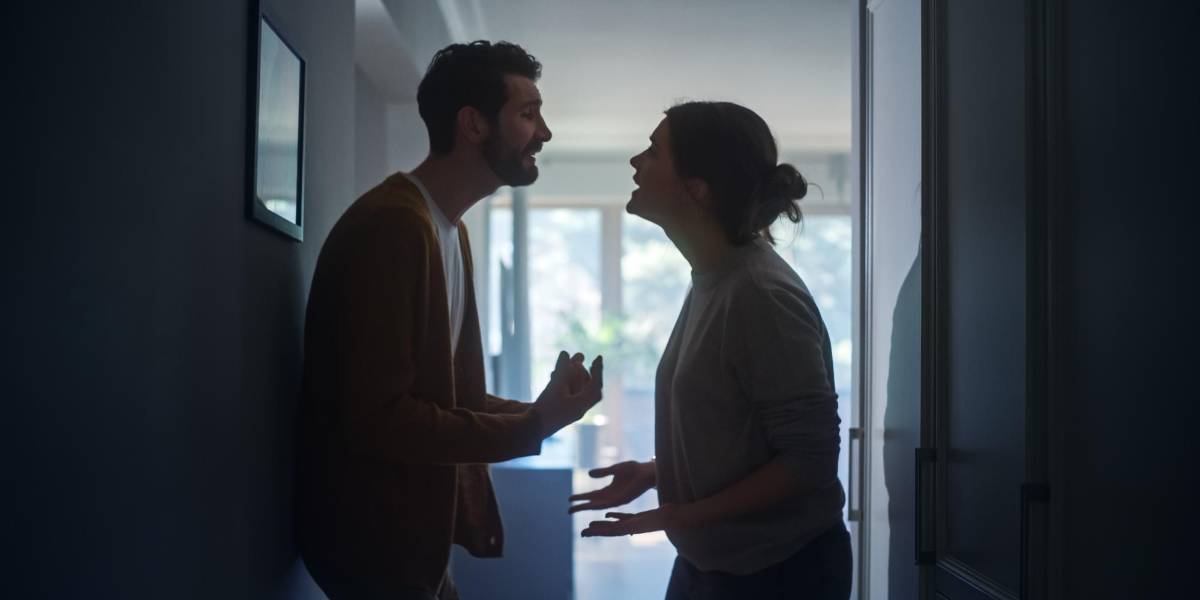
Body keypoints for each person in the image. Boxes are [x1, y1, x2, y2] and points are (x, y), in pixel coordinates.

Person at [296, 41, 603, 600]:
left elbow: (449, 395)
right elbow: (382, 419)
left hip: (414, 549)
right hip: (376, 550)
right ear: (473, 125)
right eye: (528, 114)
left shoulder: (448, 229)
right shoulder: (393, 226)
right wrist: (535, 426)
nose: (545, 132)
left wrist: (544, 412)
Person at [570, 101, 849, 599]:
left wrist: (677, 513)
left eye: (653, 152)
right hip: (717, 564)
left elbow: (809, 461)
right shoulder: (715, 277)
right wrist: (661, 473)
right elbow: (743, 432)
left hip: (776, 574)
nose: (636, 162)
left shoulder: (760, 296)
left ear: (696, 190)